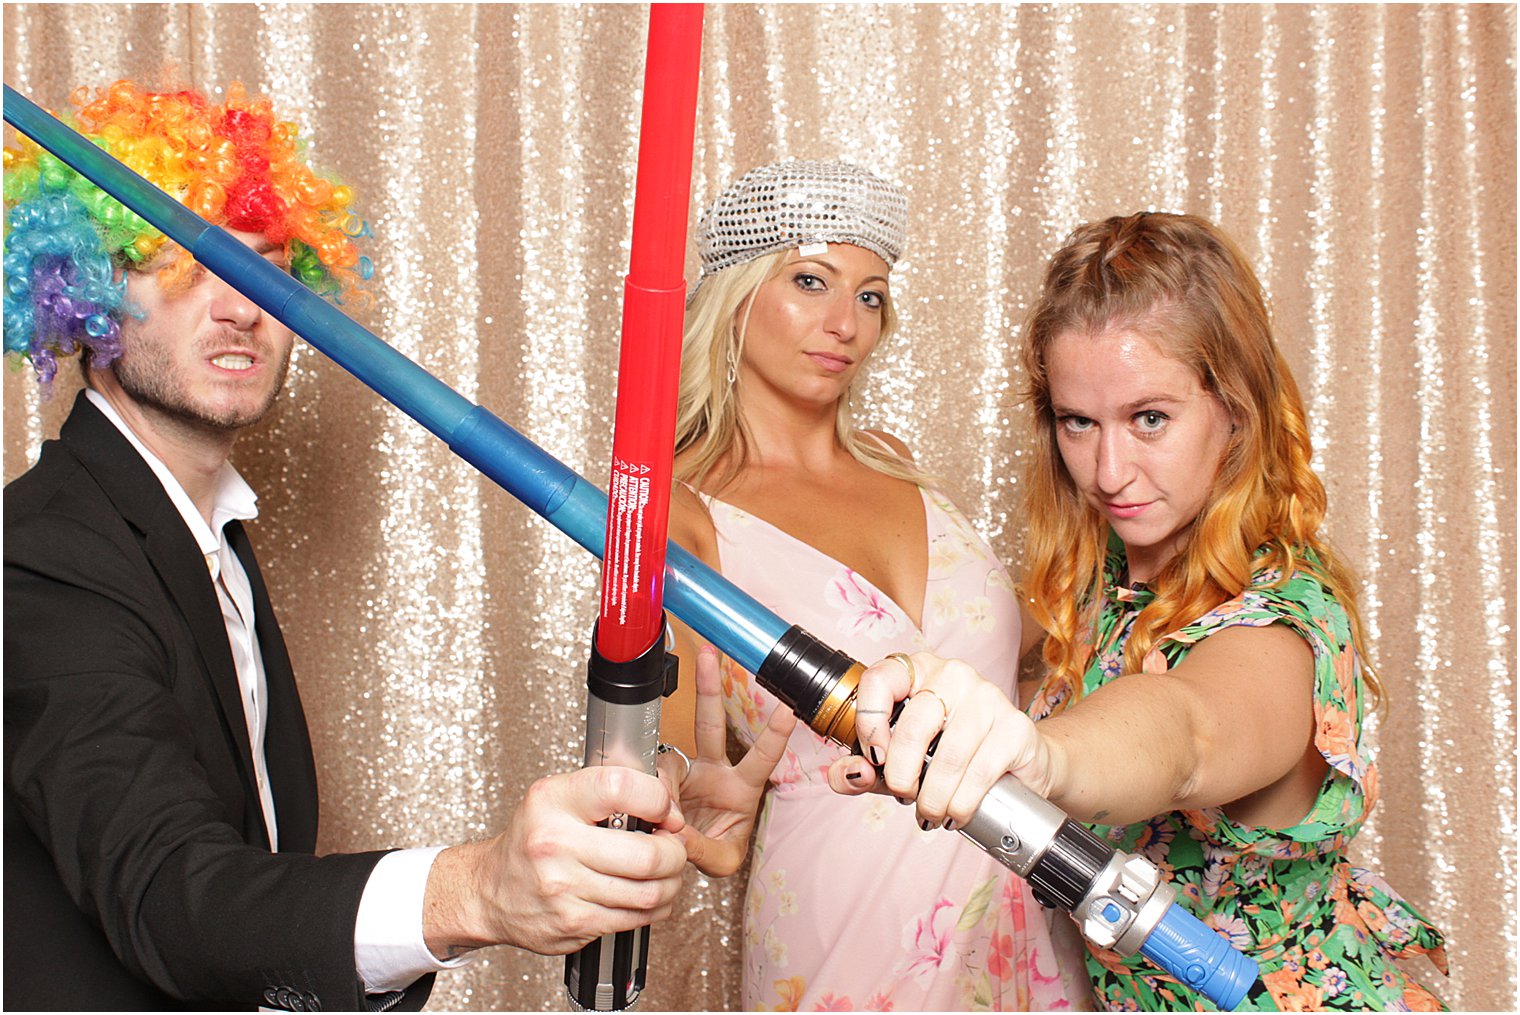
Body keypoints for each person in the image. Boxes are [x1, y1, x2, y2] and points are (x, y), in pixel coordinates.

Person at [1, 78, 750, 1011]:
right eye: (181, 261)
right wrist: (478, 891)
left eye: (264, 264)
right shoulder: (38, 554)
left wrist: (653, 793)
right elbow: (170, 896)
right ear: (82, 292)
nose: (238, 305)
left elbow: (248, 897)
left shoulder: (209, 539)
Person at [829, 211, 1450, 1011]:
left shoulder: (1288, 616)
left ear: (1235, 409)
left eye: (1149, 418)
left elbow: (1185, 731)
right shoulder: (1102, 586)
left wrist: (1034, 755)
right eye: (1077, 422)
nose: (1109, 470)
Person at [659, 159, 1091, 1011]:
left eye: (869, 295)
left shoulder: (895, 461)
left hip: (1024, 893)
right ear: (734, 295)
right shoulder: (681, 509)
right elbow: (667, 746)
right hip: (848, 922)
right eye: (810, 280)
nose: (844, 322)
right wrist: (672, 789)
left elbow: (1007, 657)